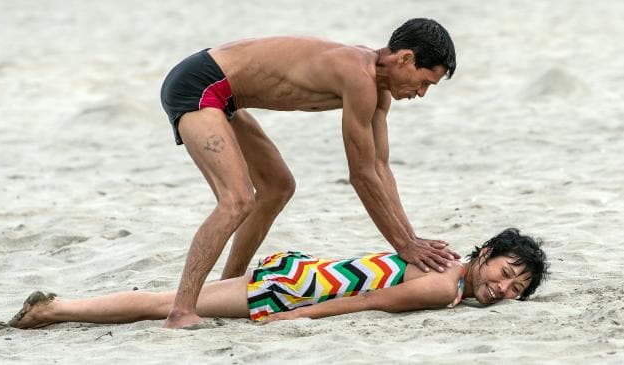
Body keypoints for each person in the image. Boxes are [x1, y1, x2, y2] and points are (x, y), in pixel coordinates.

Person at [158, 17, 460, 328]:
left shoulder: (379, 91)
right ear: (405, 58)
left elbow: (379, 168)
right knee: (237, 200)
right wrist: (403, 246)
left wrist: (411, 239)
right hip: (200, 83)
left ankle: (224, 286)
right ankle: (181, 311)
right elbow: (360, 175)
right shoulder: (357, 74)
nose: (421, 93)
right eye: (424, 82)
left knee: (278, 186)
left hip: (227, 98)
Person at [8, 229, 549, 329]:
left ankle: (59, 308)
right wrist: (298, 316)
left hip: (302, 272)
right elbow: (373, 303)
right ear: (484, 254)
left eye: (516, 289)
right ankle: (54, 310)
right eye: (505, 273)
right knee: (164, 304)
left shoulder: (446, 266)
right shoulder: (442, 286)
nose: (504, 289)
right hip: (294, 289)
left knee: (170, 298)